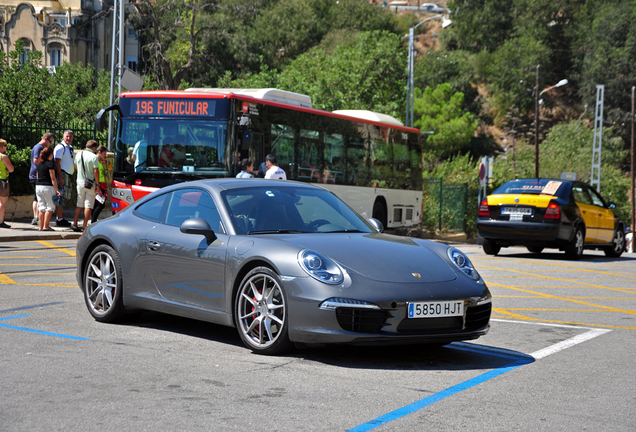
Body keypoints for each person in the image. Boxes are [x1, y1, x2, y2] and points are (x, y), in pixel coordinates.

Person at [73, 140, 101, 232]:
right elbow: (96, 171)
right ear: (94, 147)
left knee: (79, 204)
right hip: (90, 184)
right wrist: (98, 184)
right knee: (88, 205)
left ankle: (75, 224)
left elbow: (76, 166)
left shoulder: (79, 154)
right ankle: (84, 226)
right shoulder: (94, 157)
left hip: (80, 182)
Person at [29, 132, 55, 225]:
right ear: (45, 139)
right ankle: (36, 217)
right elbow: (36, 160)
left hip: (37, 176)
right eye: (51, 142)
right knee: (38, 199)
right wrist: (44, 167)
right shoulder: (39, 147)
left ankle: (38, 219)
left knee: (38, 198)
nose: (51, 144)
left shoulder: (39, 147)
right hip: (37, 176)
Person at [35, 146, 61, 231]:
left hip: (38, 186)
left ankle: (40, 227)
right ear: (50, 154)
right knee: (50, 207)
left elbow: (38, 176)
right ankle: (46, 226)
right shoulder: (50, 164)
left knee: (41, 207)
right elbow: (53, 178)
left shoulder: (39, 163)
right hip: (48, 187)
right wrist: (57, 190)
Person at [53, 130, 75, 227]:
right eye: (67, 136)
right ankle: (59, 218)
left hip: (69, 174)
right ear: (63, 136)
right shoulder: (60, 147)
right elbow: (57, 162)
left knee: (65, 197)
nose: (68, 138)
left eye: (70, 136)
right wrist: (60, 177)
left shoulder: (70, 147)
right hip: (63, 174)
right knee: (61, 197)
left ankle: (59, 217)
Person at [90, 146, 109, 223]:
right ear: (99, 152)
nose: (106, 155)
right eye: (104, 153)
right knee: (101, 204)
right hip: (99, 184)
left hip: (101, 183)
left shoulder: (100, 161)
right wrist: (98, 186)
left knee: (96, 204)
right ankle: (93, 221)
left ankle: (93, 220)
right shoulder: (95, 160)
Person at [0, 139, 15, 229]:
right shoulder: (3, 157)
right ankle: (0, 221)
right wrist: (7, 170)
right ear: (1, 147)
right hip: (2, 180)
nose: (6, 147)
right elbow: (11, 169)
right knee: (2, 202)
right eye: (5, 145)